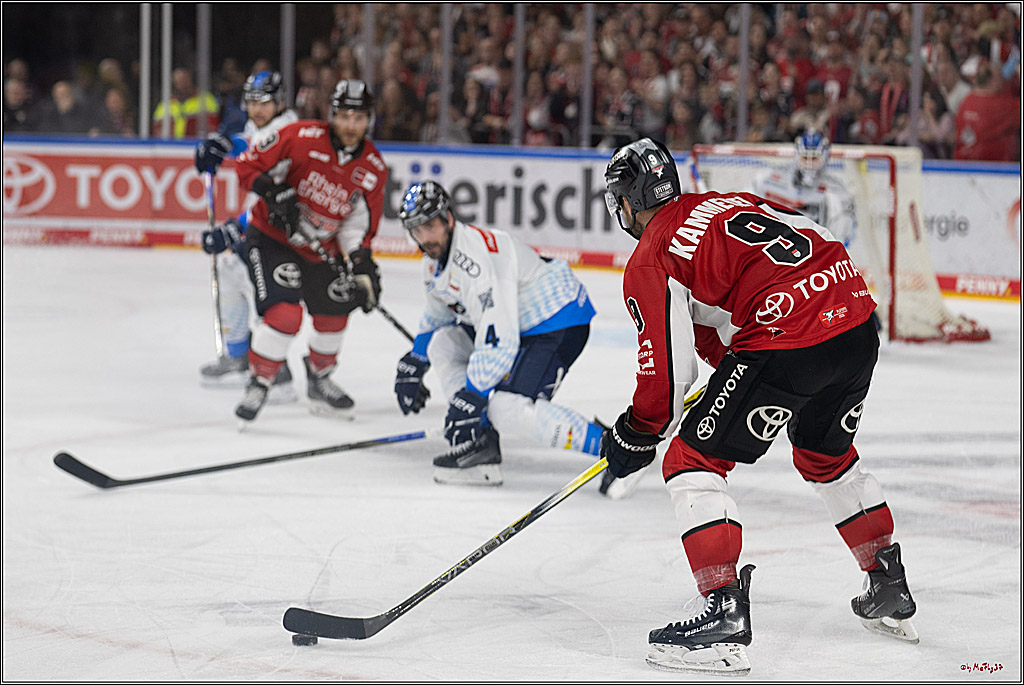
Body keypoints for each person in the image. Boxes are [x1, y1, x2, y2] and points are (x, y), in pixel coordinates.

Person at [600, 138, 917, 674]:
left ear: (626, 201)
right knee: (825, 456)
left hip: (789, 337)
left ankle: (722, 612)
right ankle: (888, 583)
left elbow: (667, 381)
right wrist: (740, 370)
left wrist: (636, 433)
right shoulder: (724, 202)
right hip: (856, 322)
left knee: (690, 460)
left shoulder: (653, 253)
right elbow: (808, 242)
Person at [394, 180, 604, 486]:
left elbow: (499, 342)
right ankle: (479, 441)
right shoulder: (436, 261)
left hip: (557, 320)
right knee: (443, 344)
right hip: (519, 323)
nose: (425, 237)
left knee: (506, 410)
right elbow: (439, 313)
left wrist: (470, 397)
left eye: (430, 225)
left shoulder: (475, 263)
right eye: (417, 229)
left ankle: (612, 448)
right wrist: (416, 359)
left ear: (448, 218)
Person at [229, 79, 386, 425]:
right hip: (272, 238)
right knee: (285, 315)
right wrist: (272, 192)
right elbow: (246, 166)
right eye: (344, 116)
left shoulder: (373, 168)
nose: (350, 125)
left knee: (336, 312)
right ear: (332, 115)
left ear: (368, 121)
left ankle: (320, 378)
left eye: (358, 118)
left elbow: (356, 226)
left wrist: (360, 265)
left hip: (320, 249)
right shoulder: (299, 136)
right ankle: (260, 380)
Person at [193, 70, 299, 394]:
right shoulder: (260, 128)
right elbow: (251, 143)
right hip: (263, 227)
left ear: (280, 103)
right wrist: (224, 144)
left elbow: (258, 148)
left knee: (263, 291)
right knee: (230, 271)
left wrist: (236, 228)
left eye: (264, 102)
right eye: (252, 102)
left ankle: (278, 372)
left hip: (286, 234)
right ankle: (239, 356)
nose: (257, 109)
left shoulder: (289, 130)